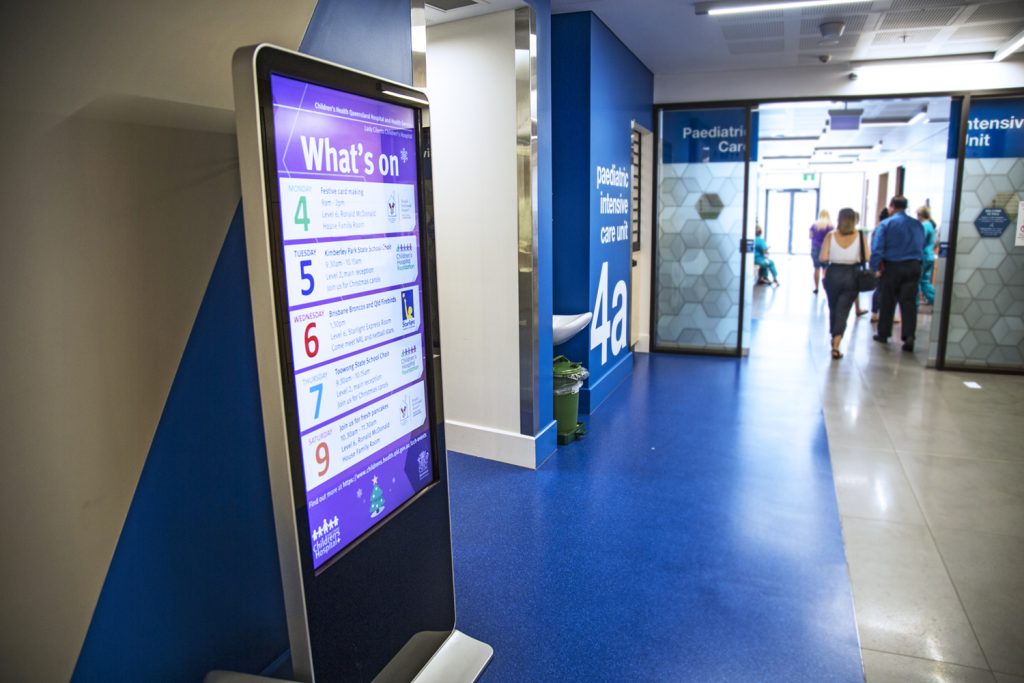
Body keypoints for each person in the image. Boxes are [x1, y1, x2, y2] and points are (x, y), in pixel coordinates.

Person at [870, 196, 925, 351]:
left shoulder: (886, 224)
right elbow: (922, 244)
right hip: (913, 266)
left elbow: (878, 248)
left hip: (892, 267)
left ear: (892, 206)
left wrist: (873, 268)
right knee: (908, 302)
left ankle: (883, 334)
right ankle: (909, 336)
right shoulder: (917, 225)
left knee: (887, 300)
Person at [820, 208, 871, 359]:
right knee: (844, 309)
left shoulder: (831, 235)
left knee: (833, 307)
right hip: (852, 275)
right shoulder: (860, 236)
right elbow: (867, 257)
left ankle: (834, 333)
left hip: (833, 274)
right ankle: (836, 342)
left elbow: (823, 257)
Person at [870, 207, 889, 323]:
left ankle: (875, 313)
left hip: (878, 262)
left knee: (879, 288)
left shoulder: (877, 229)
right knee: (881, 288)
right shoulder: (883, 229)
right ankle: (876, 313)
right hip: (882, 263)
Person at [809, 210, 833, 294]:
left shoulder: (814, 225)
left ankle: (816, 288)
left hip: (815, 248)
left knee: (816, 268)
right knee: (825, 269)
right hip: (826, 249)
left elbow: (810, 236)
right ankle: (826, 286)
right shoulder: (830, 226)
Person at [917, 206, 937, 305]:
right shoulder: (930, 225)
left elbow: (920, 240)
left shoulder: (924, 225)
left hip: (923, 256)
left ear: (920, 215)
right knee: (925, 281)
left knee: (916, 281)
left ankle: (914, 303)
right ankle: (936, 300)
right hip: (930, 256)